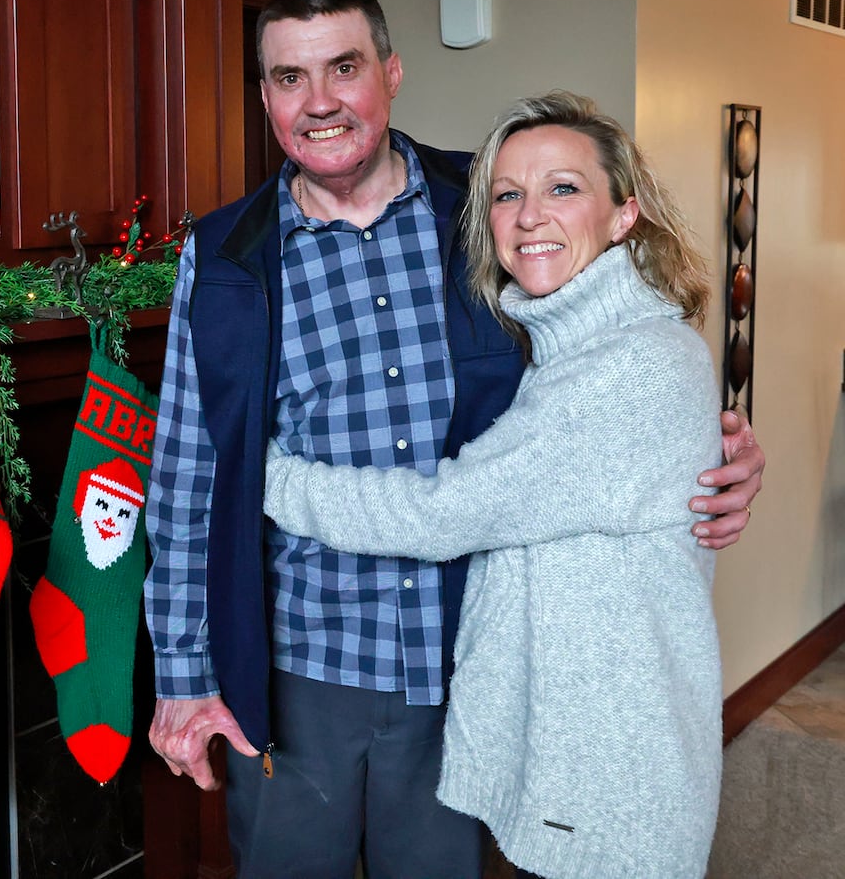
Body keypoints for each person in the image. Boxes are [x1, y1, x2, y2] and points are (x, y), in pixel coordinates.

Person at [143, 0, 764, 879]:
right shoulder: (227, 253)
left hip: (464, 657)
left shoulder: (489, 208)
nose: (319, 102)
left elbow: (600, 369)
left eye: (344, 68)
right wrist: (184, 671)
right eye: (288, 78)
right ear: (267, 95)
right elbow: (184, 473)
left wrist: (717, 453)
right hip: (298, 663)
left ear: (390, 74)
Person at [261, 91, 722, 879]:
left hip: (617, 760)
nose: (530, 215)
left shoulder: (633, 365)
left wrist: (264, 476)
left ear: (624, 216)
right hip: (585, 742)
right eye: (509, 194)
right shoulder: (567, 347)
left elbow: (445, 513)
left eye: (564, 188)